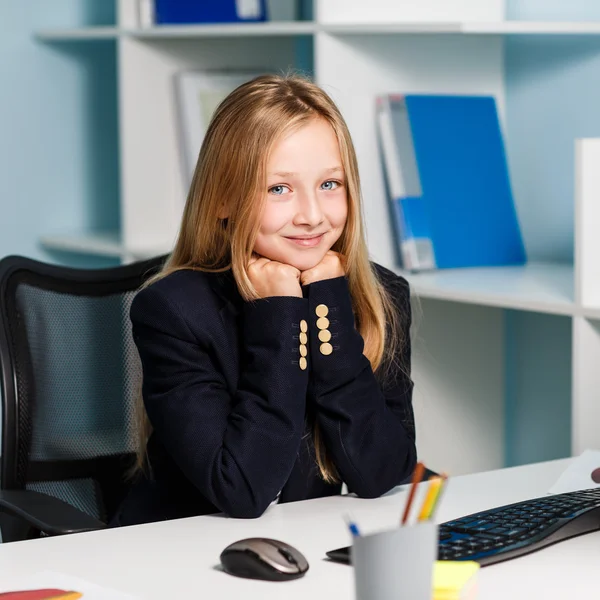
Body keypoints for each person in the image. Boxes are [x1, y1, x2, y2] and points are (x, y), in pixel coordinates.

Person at [111, 73, 417, 526]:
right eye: (279, 189)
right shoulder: (174, 310)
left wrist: (328, 304)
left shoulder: (380, 296)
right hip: (179, 556)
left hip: (302, 549)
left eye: (330, 184)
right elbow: (243, 489)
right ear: (223, 200)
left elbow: (383, 472)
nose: (312, 215)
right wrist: (278, 316)